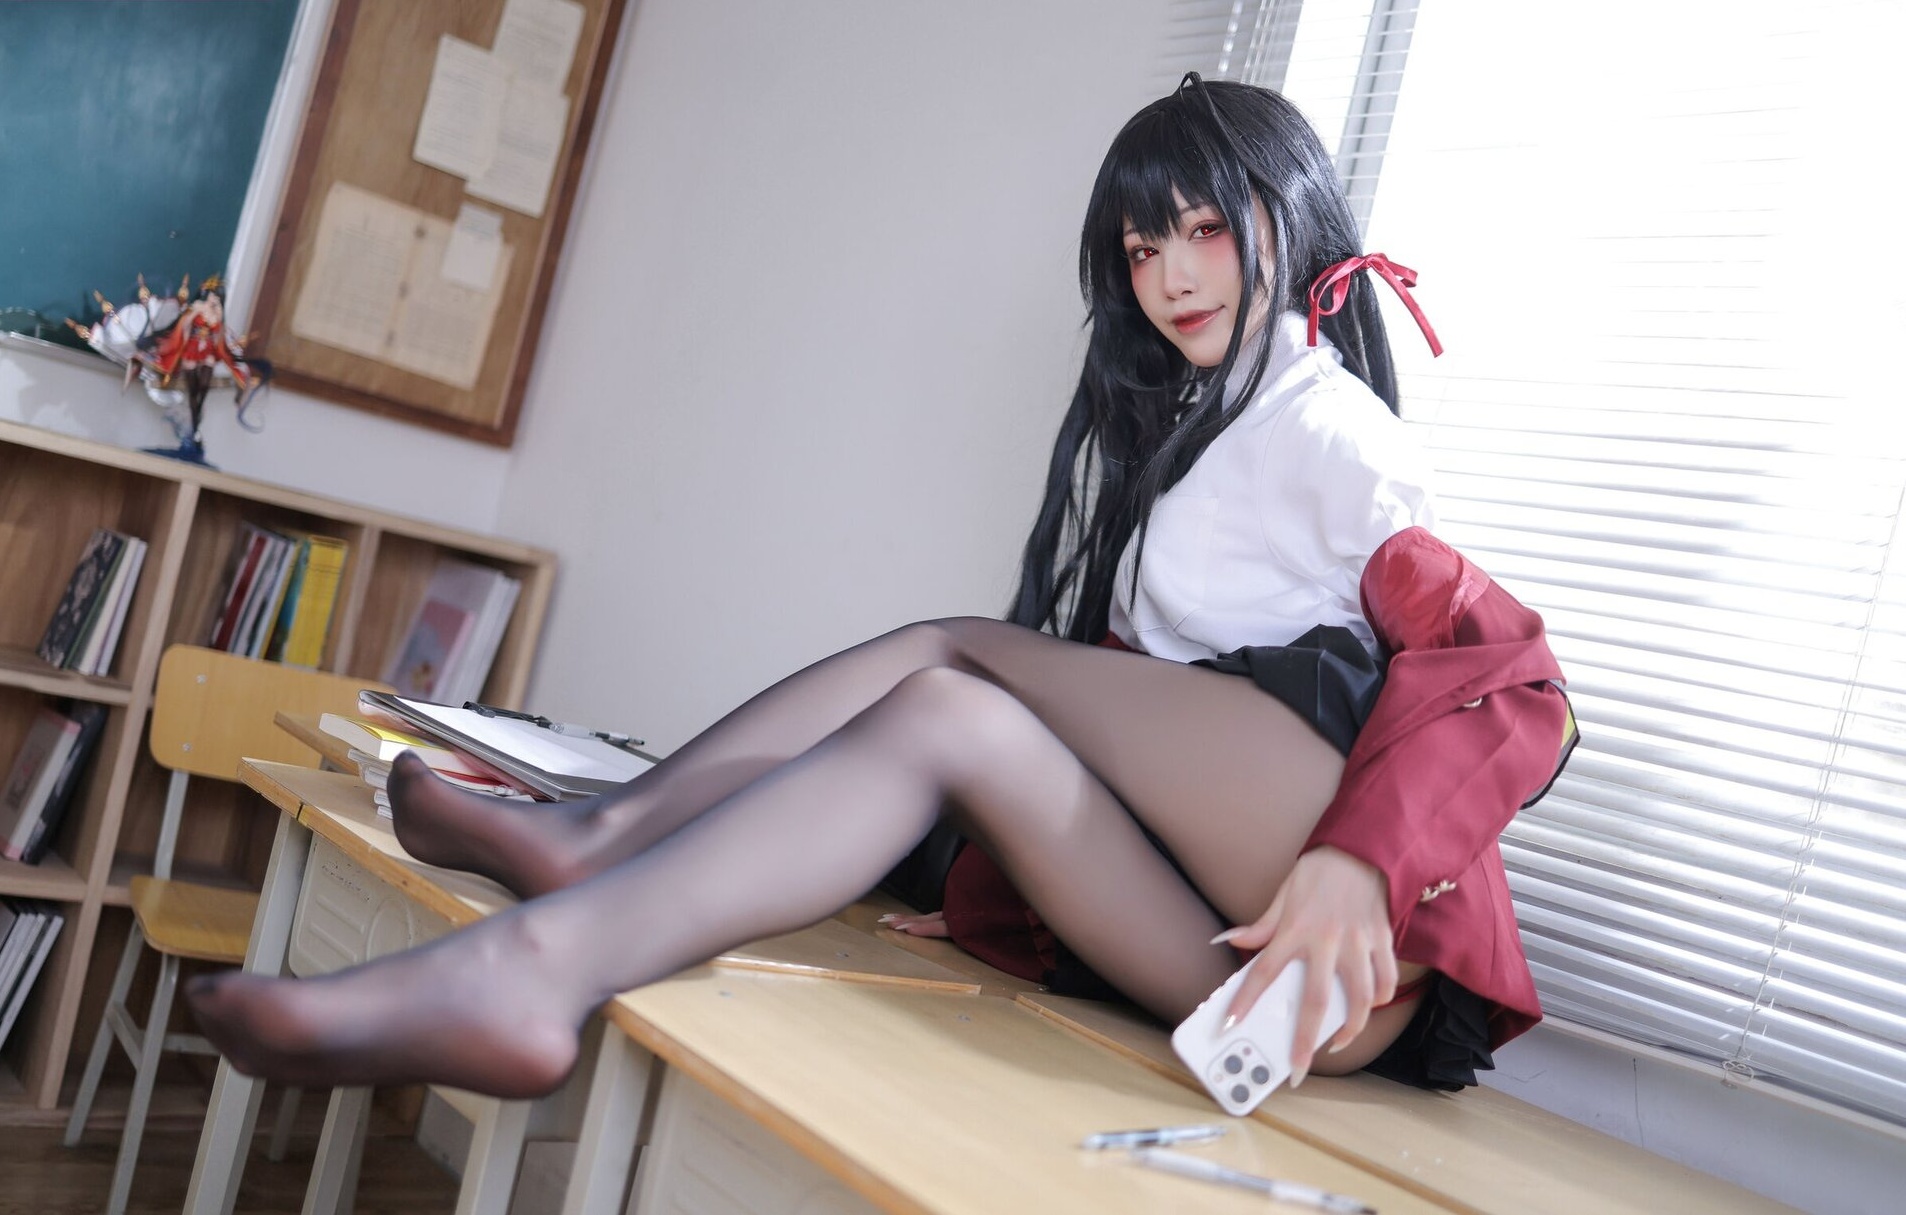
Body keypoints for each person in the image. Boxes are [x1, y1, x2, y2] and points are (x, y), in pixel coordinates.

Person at [185, 75, 1572, 1102]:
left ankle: (603, 836)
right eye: (1141, 251)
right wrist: (1003, 873)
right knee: (948, 714)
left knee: (959, 649)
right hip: (1257, 985)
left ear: (1288, 214)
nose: (1167, 277)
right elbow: (1132, 754)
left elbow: (1516, 686)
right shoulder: (1201, 442)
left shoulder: (1331, 433)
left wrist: (1356, 867)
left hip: (1356, 936)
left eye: (1201, 230)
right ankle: (532, 976)